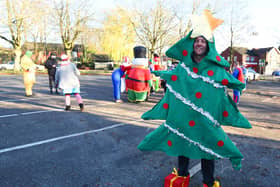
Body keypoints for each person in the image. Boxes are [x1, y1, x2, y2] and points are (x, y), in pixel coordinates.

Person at [138, 10, 251, 187]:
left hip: (206, 121)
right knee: (183, 144)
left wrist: (238, 84)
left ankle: (208, 181)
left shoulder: (217, 70)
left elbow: (230, 82)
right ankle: (182, 176)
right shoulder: (182, 67)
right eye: (197, 40)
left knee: (208, 149)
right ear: (192, 44)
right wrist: (158, 72)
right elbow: (170, 76)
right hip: (185, 120)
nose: (199, 43)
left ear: (208, 45)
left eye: (203, 41)